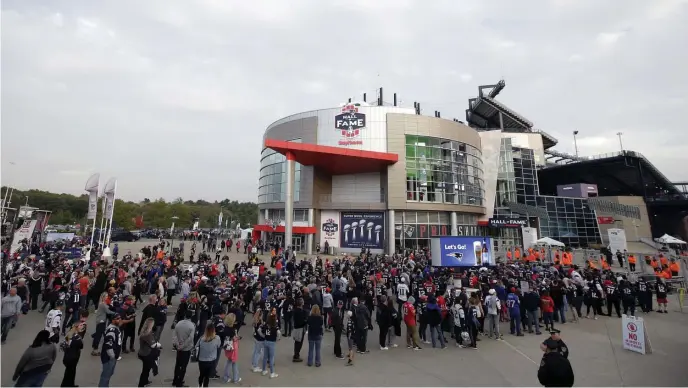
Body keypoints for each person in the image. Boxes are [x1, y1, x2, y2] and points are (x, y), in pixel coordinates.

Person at [172, 310, 196, 387]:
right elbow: (190, 338)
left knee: (177, 364)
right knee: (183, 366)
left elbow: (174, 335)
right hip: (186, 349)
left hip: (179, 348)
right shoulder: (192, 326)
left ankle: (175, 380)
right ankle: (180, 381)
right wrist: (183, 346)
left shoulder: (179, 323)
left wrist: (177, 344)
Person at [99, 313, 123, 387]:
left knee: (109, 374)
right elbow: (108, 345)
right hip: (108, 358)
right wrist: (112, 356)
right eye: (117, 318)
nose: (119, 320)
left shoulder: (115, 328)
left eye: (120, 318)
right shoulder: (112, 330)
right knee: (105, 376)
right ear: (112, 320)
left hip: (112, 357)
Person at [137, 317, 162, 387]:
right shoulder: (148, 334)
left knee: (146, 369)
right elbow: (153, 345)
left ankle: (145, 381)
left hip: (142, 352)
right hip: (147, 354)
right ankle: (141, 384)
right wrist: (159, 344)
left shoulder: (143, 331)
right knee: (145, 370)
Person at [196, 322, 221, 387]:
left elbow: (196, 346)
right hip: (211, 360)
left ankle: (199, 385)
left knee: (201, 374)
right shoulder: (217, 338)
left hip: (202, 360)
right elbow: (218, 346)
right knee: (207, 377)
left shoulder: (201, 338)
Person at [60, 322, 86, 387]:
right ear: (76, 327)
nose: (83, 326)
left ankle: (71, 384)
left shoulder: (69, 334)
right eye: (81, 325)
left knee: (71, 372)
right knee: (69, 373)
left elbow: (63, 345)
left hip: (68, 356)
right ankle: (65, 385)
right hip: (72, 358)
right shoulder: (77, 337)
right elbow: (81, 346)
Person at [221, 313, 240, 384]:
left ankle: (226, 377)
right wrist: (238, 338)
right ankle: (236, 378)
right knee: (234, 362)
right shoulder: (233, 330)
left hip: (227, 347)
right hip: (233, 347)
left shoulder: (225, 328)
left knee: (229, 361)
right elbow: (235, 338)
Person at [261, 312, 280, 378]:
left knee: (265, 357)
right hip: (272, 342)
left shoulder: (266, 325)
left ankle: (263, 370)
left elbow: (260, 330)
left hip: (266, 341)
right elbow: (279, 333)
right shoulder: (275, 326)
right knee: (271, 358)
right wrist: (278, 338)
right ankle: (272, 373)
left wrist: (263, 336)